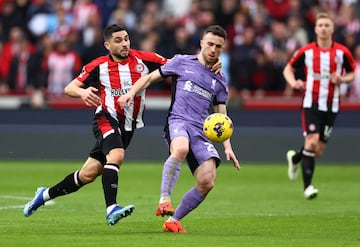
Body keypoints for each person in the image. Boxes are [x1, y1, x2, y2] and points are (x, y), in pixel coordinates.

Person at [23, 24, 221, 226]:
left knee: (87, 174)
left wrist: (210, 63)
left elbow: (182, 66)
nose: (125, 43)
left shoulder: (145, 59)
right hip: (106, 118)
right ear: (107, 45)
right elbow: (69, 88)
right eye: (118, 41)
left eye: (126, 38)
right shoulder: (98, 66)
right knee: (117, 155)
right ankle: (112, 208)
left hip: (128, 127)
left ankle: (44, 195)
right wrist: (83, 92)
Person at [118, 25, 240, 233]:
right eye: (209, 44)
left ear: (222, 49)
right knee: (180, 149)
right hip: (178, 121)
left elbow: (222, 117)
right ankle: (164, 199)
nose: (213, 49)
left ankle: (173, 220)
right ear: (201, 43)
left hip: (201, 131)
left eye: (218, 46)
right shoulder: (181, 62)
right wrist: (130, 94)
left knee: (207, 180)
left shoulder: (220, 80)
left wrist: (228, 146)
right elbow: (149, 77)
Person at [283, 12, 356, 200]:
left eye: (327, 25)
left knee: (318, 150)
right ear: (315, 29)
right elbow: (288, 69)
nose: (323, 28)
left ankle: (296, 158)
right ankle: (308, 187)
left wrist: (342, 78)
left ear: (332, 29)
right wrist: (294, 83)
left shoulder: (342, 52)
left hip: (332, 104)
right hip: (311, 102)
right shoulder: (306, 51)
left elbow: (352, 72)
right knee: (312, 142)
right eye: (320, 25)